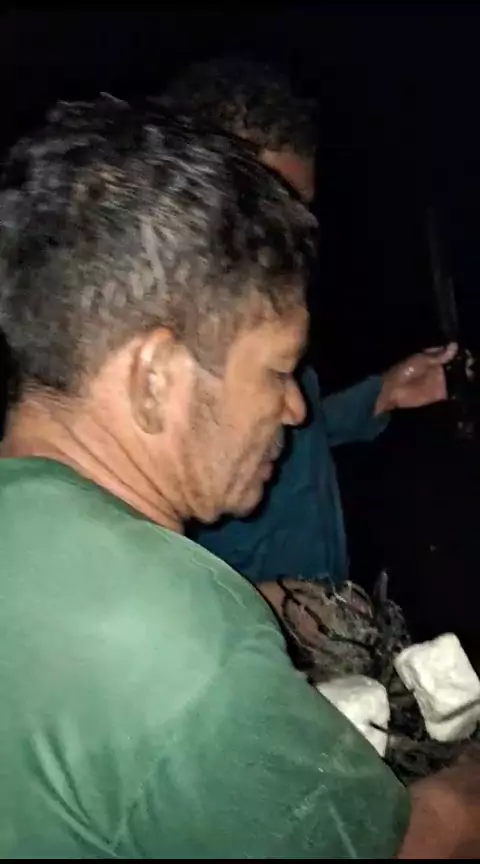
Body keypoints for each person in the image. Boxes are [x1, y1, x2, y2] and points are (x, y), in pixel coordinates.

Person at [1, 94, 479, 861]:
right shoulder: (180, 638)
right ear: (154, 377)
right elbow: (398, 849)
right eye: (279, 372)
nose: (296, 408)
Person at [160, 58, 457, 608]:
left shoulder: (262, 323)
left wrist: (382, 395)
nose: (296, 239)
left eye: (302, 214)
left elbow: (295, 428)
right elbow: (148, 582)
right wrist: (268, 610)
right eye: (273, 211)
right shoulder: (156, 337)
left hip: (316, 615)